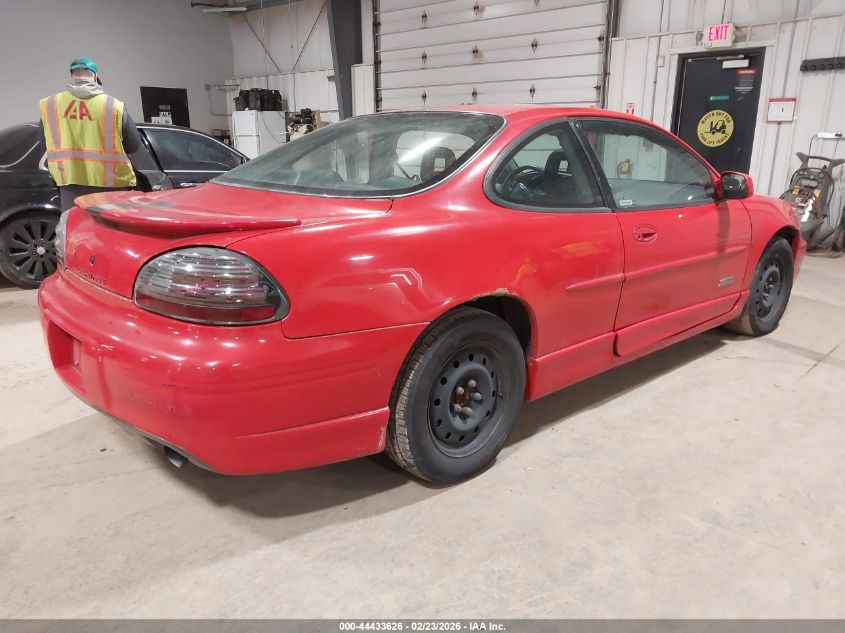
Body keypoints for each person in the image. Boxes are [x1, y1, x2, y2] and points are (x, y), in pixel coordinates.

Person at [39, 57, 143, 212]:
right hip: (112, 185)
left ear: (71, 75)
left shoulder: (49, 105)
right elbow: (134, 146)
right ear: (95, 76)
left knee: (78, 229)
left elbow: (44, 144)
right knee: (110, 232)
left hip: (69, 182)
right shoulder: (113, 105)